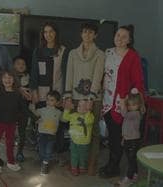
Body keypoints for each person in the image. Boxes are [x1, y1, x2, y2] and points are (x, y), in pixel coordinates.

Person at [99, 25, 145, 178]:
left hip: (122, 104)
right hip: (106, 101)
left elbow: (138, 82)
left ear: (130, 40)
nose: (120, 39)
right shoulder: (107, 52)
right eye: (118, 35)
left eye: (124, 36)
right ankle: (113, 164)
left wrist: (134, 103)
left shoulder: (133, 56)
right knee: (112, 136)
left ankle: (114, 166)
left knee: (118, 137)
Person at [65, 22, 105, 175]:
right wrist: (67, 96)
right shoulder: (73, 53)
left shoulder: (100, 54)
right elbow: (69, 74)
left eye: (90, 32)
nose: (87, 35)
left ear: (95, 35)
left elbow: (97, 76)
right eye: (85, 32)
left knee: (93, 130)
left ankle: (91, 162)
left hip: (93, 99)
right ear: (81, 34)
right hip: (75, 97)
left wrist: (91, 98)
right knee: (75, 129)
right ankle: (75, 161)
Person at [0, 70, 26, 174]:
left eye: (10, 77)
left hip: (12, 123)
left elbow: (23, 108)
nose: (7, 79)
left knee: (10, 143)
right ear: (1, 79)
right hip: (0, 122)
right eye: (5, 77)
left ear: (14, 79)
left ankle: (11, 161)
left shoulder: (17, 94)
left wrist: (34, 117)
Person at [30, 22, 68, 107]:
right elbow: (34, 72)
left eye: (51, 31)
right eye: (45, 32)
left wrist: (65, 94)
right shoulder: (38, 51)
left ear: (56, 33)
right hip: (41, 92)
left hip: (57, 92)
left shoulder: (63, 50)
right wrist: (34, 91)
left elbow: (66, 73)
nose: (48, 34)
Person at [30, 90, 62, 175]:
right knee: (41, 150)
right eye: (47, 99)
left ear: (57, 102)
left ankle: (45, 164)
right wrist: (32, 104)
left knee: (48, 150)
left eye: (52, 100)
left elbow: (65, 119)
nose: (49, 102)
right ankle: (44, 159)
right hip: (42, 134)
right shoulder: (42, 110)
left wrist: (67, 109)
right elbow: (34, 113)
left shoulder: (58, 112)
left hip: (52, 135)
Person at [117, 88, 144, 186]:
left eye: (133, 105)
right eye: (129, 105)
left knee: (131, 160)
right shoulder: (130, 113)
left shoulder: (136, 114)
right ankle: (135, 174)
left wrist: (123, 102)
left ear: (139, 105)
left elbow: (123, 113)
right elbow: (126, 127)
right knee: (130, 159)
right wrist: (124, 138)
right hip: (128, 139)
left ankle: (128, 178)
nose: (131, 107)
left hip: (133, 141)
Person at [63, 98, 94, 176]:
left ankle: (82, 167)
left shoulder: (90, 116)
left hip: (84, 142)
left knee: (83, 155)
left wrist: (88, 111)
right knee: (74, 154)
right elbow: (65, 118)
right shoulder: (74, 115)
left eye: (84, 106)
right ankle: (74, 168)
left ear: (89, 107)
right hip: (73, 140)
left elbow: (87, 121)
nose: (81, 108)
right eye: (79, 106)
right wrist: (67, 109)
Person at [12, 55, 31, 162]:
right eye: (18, 63)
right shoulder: (10, 77)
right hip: (12, 109)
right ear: (13, 65)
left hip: (24, 110)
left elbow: (30, 92)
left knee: (22, 132)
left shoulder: (28, 77)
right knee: (11, 132)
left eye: (23, 64)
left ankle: (20, 152)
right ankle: (10, 151)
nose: (21, 66)